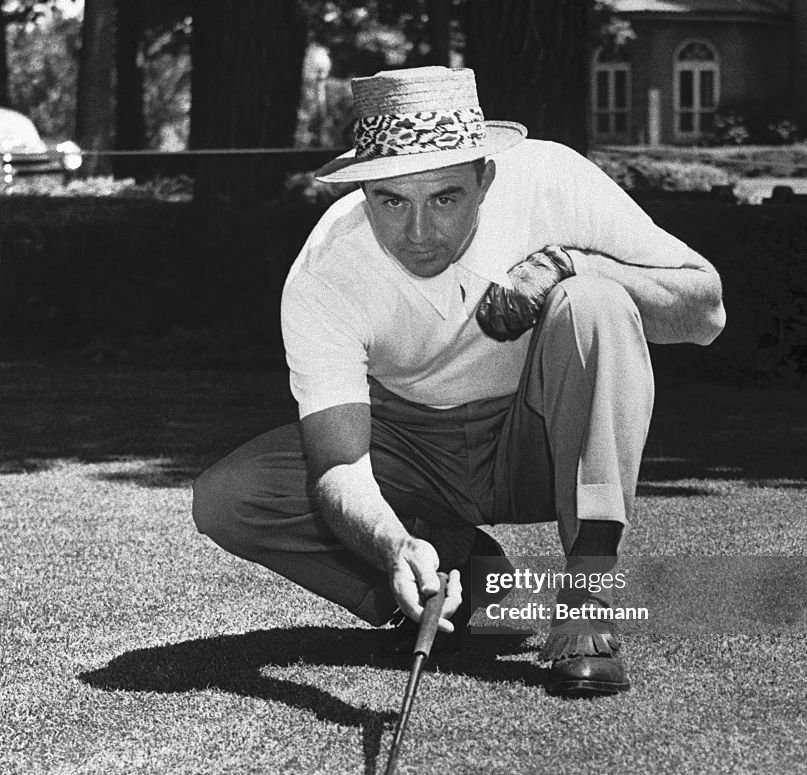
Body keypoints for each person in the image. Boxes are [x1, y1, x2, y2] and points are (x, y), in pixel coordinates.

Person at [192, 66, 725, 698]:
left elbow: (706, 311)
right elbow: (339, 461)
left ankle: (589, 600)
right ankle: (469, 585)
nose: (418, 233)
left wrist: (568, 263)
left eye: (444, 198)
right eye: (392, 201)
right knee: (230, 497)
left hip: (543, 440)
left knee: (594, 303)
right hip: (413, 449)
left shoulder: (552, 179)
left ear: (485, 177)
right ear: (363, 193)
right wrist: (390, 546)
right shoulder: (325, 267)